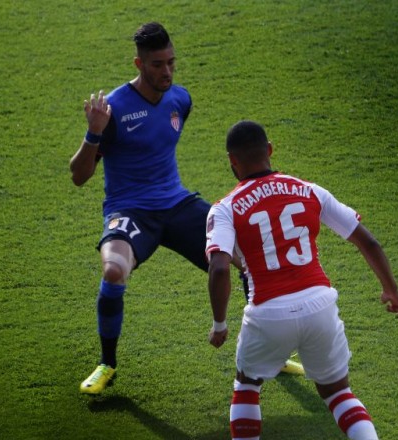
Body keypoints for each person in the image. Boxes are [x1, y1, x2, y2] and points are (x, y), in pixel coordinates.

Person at [69, 23, 301, 395]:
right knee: (114, 272)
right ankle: (106, 364)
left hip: (177, 204)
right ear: (139, 64)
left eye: (172, 63)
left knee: (247, 256)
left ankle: (269, 352)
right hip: (131, 210)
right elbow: (79, 176)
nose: (167, 72)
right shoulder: (114, 109)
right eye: (158, 64)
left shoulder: (180, 100)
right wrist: (94, 132)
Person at [206, 120, 398, 440]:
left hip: (269, 311)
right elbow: (367, 240)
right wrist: (390, 290)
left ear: (232, 161)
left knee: (246, 387)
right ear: (271, 150)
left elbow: (220, 269)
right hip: (319, 303)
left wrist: (220, 323)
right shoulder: (308, 189)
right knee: (337, 393)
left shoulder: (226, 207)